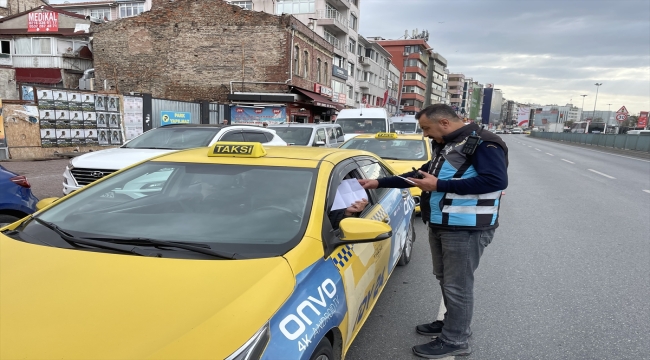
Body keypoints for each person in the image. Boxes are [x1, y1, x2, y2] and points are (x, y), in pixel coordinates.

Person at [358, 104, 508, 359]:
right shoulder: (449, 144)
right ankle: (452, 324)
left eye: (427, 128)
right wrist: (378, 182)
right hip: (443, 223)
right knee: (446, 279)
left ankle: (456, 339)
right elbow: (421, 175)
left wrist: (439, 184)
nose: (426, 134)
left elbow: (496, 180)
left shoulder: (485, 142)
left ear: (445, 123)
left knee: (457, 285)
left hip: (466, 227)